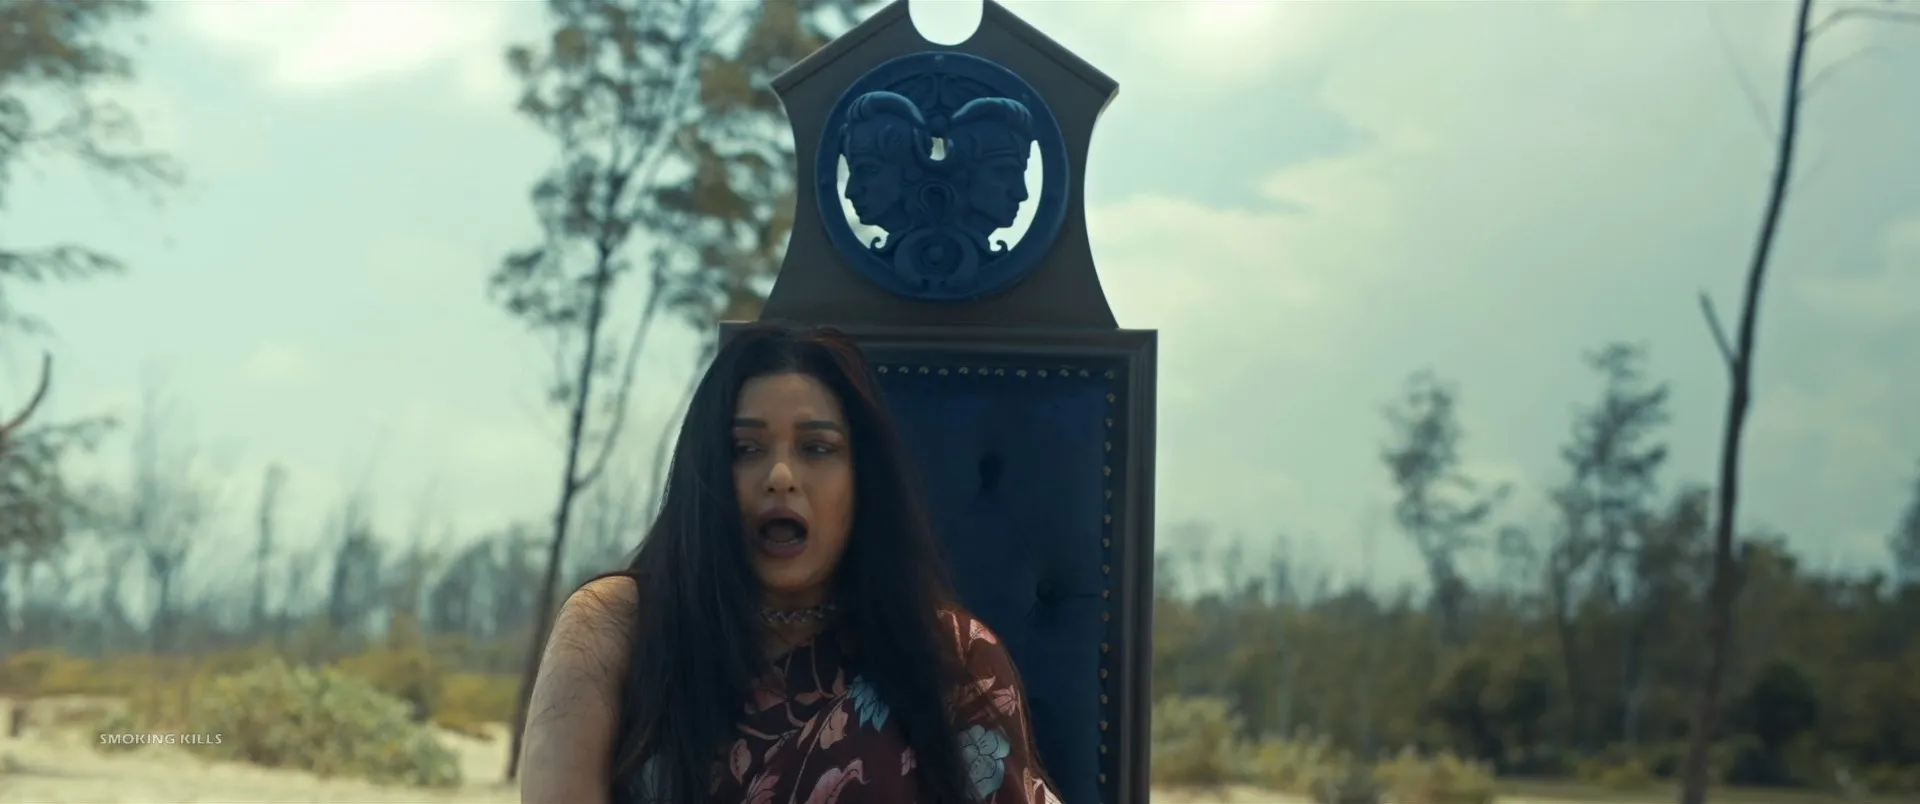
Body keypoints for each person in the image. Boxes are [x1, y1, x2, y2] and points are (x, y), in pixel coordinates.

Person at [519, 324, 1062, 804]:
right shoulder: (617, 625)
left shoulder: (953, 655)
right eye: (746, 449)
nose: (780, 476)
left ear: (863, 481)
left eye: (817, 449)